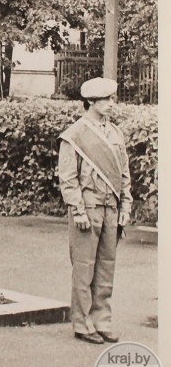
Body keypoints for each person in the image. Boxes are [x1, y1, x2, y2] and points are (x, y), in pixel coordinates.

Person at [57, 77, 132, 345]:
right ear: (90, 101)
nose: (113, 104)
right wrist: (77, 210)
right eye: (107, 99)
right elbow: (68, 178)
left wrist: (126, 205)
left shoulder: (115, 133)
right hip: (87, 208)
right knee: (84, 267)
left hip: (110, 208)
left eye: (113, 99)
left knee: (106, 268)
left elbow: (124, 175)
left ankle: (102, 320)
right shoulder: (74, 135)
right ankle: (82, 322)